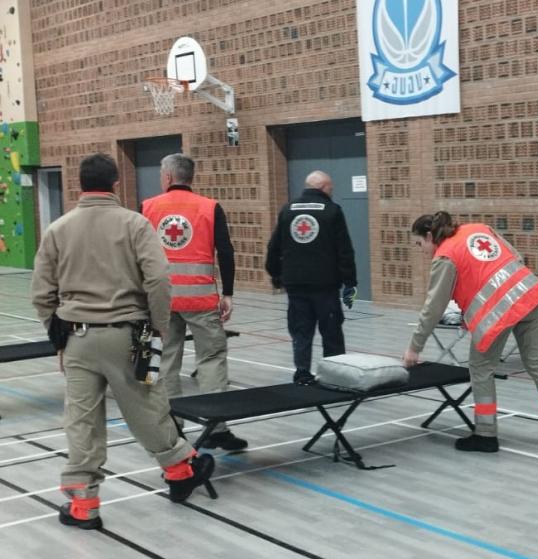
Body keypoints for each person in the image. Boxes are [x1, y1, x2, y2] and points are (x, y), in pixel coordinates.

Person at [31, 153, 214, 530]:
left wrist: (60, 340)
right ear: (116, 184)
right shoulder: (135, 224)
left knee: (81, 420)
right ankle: (180, 470)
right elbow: (159, 280)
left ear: (79, 186)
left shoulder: (58, 229)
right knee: (149, 405)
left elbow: (41, 293)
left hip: (78, 337)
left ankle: (84, 505)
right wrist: (159, 327)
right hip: (136, 334)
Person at [403, 211, 538, 452]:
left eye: (419, 244)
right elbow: (516, 256)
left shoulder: (445, 256)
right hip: (527, 294)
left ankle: (485, 434)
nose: (421, 250)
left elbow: (433, 307)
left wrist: (414, 347)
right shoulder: (479, 229)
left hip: (497, 313)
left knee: (481, 368)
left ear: (430, 236)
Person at [140, 153, 246, 450]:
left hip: (160, 301)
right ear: (191, 177)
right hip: (200, 299)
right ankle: (216, 428)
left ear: (169, 177)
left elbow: (136, 254)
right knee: (211, 359)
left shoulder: (147, 207)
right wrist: (229, 293)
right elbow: (226, 251)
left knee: (164, 361)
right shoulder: (210, 208)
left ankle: (173, 426)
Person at [265, 171, 357, 385]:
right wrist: (350, 283)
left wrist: (276, 275)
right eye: (331, 189)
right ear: (324, 187)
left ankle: (302, 373)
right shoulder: (332, 211)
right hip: (325, 285)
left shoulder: (287, 210)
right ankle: (335, 375)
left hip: (295, 284)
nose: (331, 192)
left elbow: (273, 247)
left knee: (301, 331)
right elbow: (344, 250)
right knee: (331, 331)